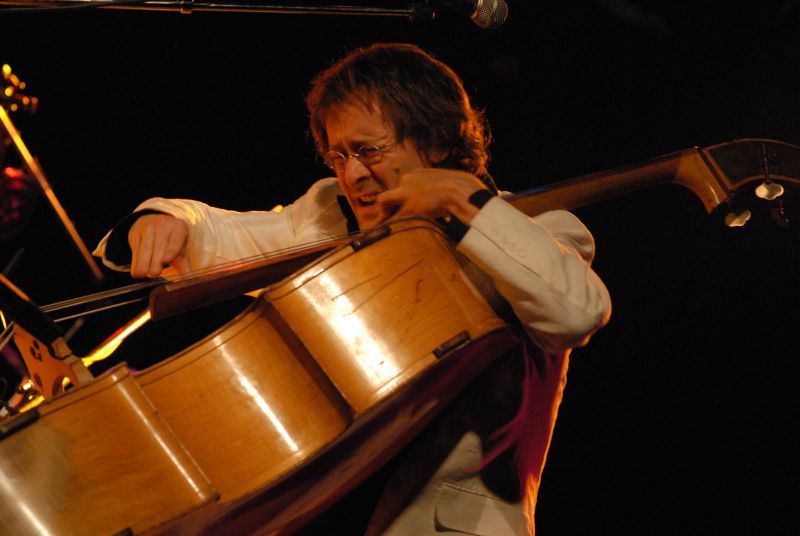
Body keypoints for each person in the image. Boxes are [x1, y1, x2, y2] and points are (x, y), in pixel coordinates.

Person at [94, 43, 611, 535]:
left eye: (369, 150)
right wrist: (165, 218)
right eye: (338, 156)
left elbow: (577, 313)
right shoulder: (329, 216)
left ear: (437, 139)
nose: (353, 175)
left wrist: (464, 201)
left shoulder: (539, 229)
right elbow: (221, 233)